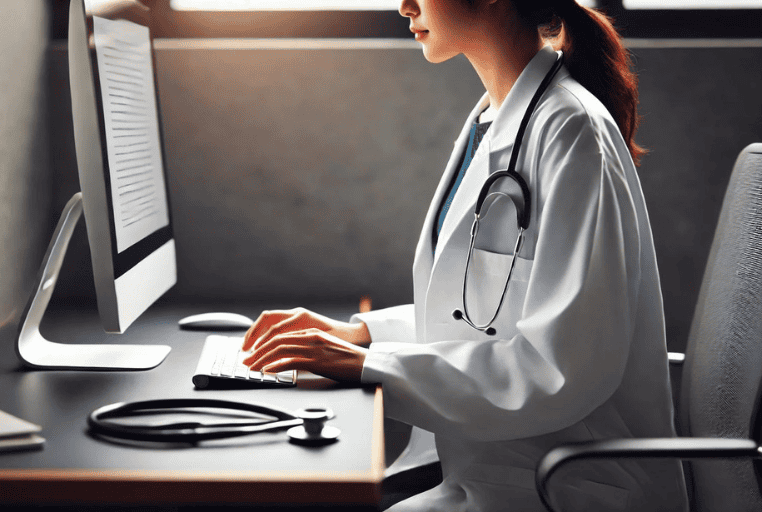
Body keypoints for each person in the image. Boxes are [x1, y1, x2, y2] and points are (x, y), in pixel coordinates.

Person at [242, 0, 688, 510]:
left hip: (561, 486)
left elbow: (558, 368)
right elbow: (488, 312)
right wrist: (362, 335)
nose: (403, 5)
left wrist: (370, 364)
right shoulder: (494, 116)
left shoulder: (572, 131)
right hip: (499, 468)